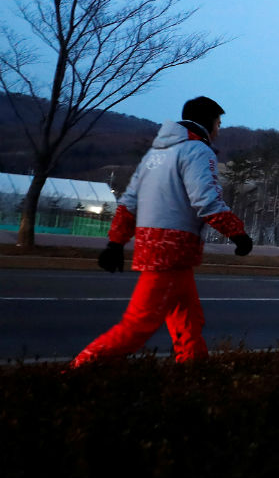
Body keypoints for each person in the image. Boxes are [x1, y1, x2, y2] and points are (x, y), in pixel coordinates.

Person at [71, 97, 253, 367]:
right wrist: (237, 233)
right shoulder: (197, 151)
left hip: (158, 248)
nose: (219, 130)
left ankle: (193, 369)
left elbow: (130, 201)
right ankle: (79, 368)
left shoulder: (155, 155)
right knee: (138, 324)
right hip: (171, 250)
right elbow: (206, 201)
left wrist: (116, 243)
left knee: (188, 318)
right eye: (218, 123)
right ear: (208, 123)